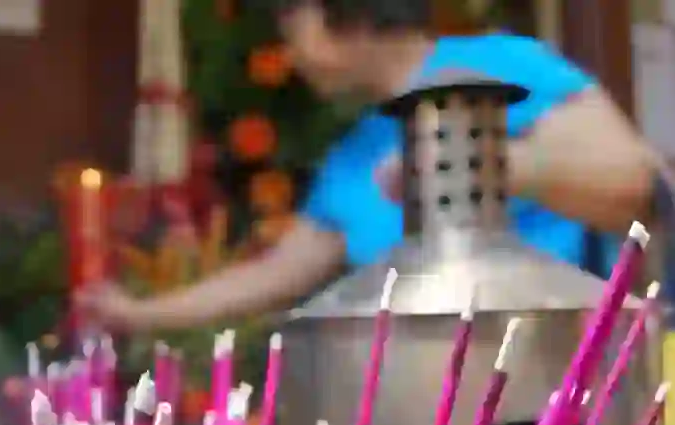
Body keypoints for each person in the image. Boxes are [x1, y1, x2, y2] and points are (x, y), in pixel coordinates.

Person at [76, 0, 656, 332]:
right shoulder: (352, 156)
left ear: (347, 16)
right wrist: (137, 313)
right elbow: (273, 276)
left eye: (291, 27)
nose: (291, 53)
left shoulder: (507, 65)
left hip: (556, 402)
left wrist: (471, 158)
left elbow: (635, 182)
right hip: (425, 422)